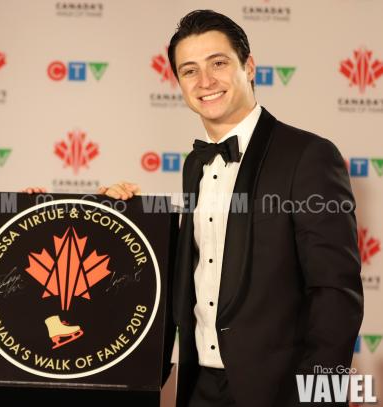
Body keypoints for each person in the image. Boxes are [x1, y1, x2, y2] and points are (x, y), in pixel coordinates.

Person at [101, 10, 363, 407]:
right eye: (189, 71)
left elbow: (336, 295)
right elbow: (191, 270)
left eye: (218, 63)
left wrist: (318, 398)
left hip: (279, 393)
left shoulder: (308, 155)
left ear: (249, 67)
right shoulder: (194, 165)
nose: (205, 82)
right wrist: (120, 217)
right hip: (199, 388)